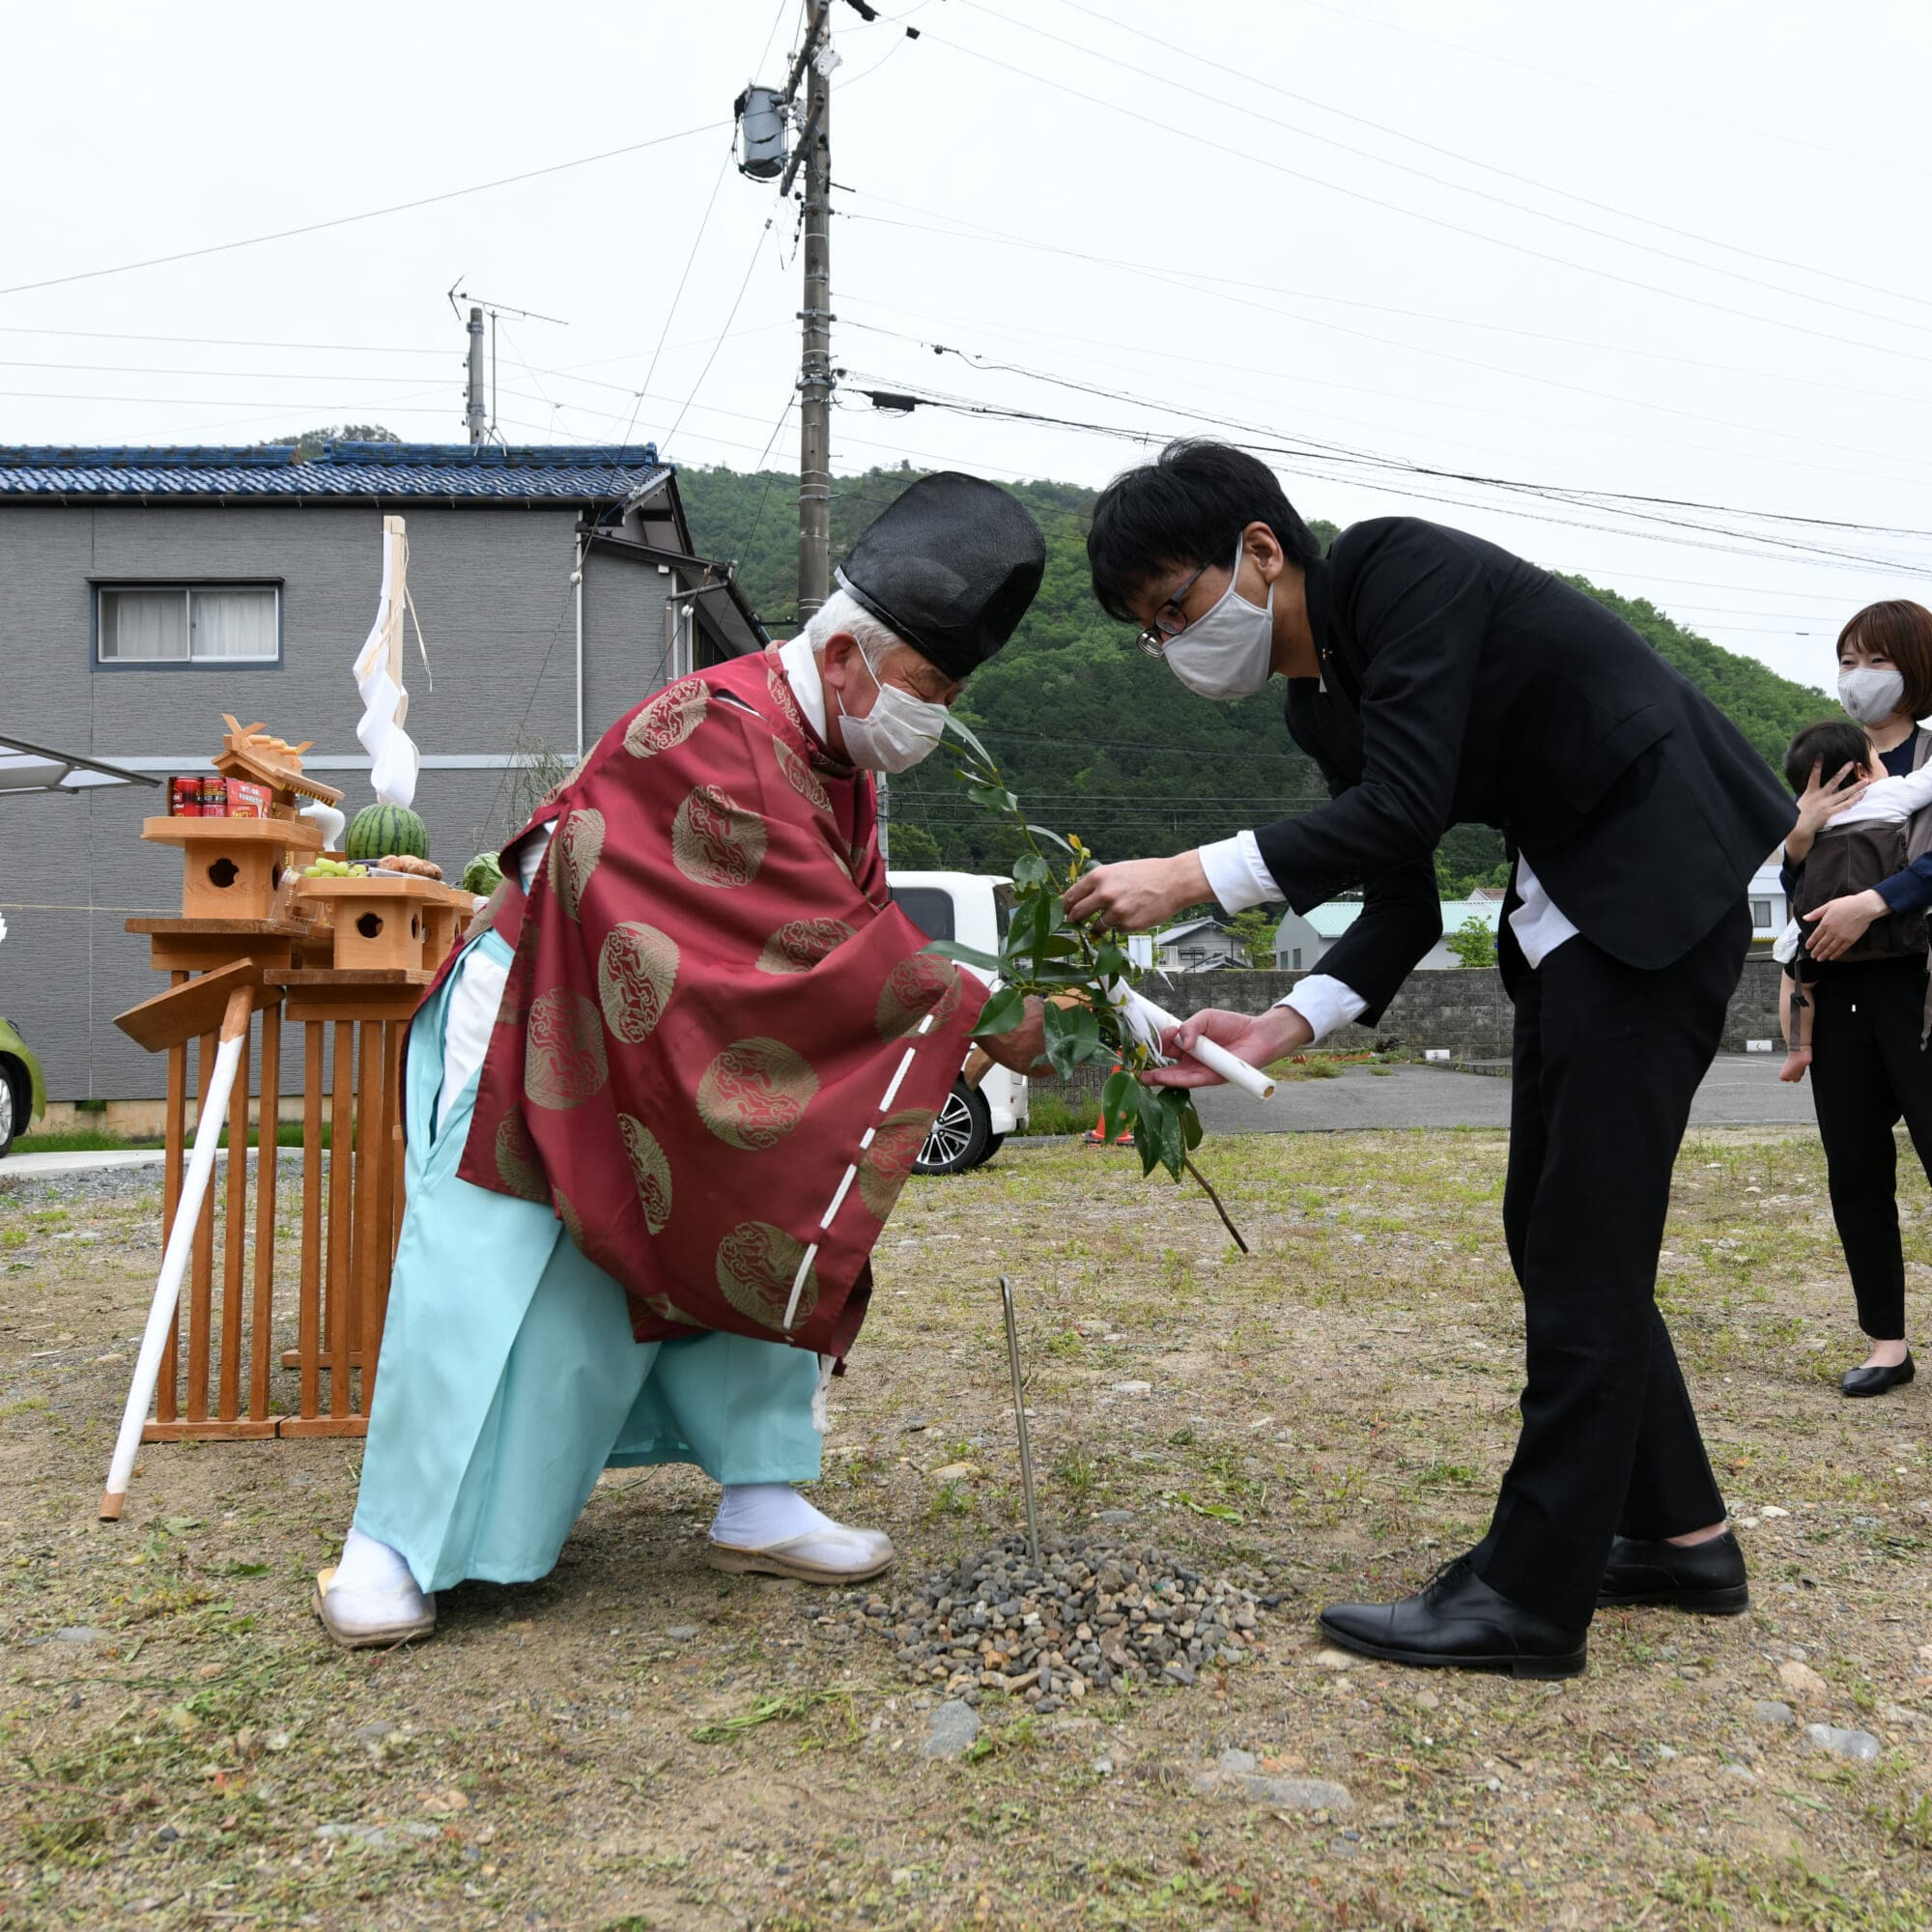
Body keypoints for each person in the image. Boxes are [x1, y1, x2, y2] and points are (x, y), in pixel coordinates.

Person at [1065, 440, 1795, 1679]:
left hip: (1653, 881)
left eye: (1172, 607)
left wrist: (1190, 873)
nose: (1172, 643)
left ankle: (1529, 1592)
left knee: (1580, 1243)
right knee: (1557, 1230)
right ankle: (1683, 1535)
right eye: (1149, 631)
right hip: (1577, 910)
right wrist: (1281, 1022)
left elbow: (1400, 812)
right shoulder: (1320, 699)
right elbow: (1394, 896)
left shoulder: (1400, 572)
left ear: (1257, 549)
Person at [312, 473, 1050, 1648]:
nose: (935, 712)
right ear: (851, 655)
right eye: (929, 685)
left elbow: (845, 938)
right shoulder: (707, 725)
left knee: (764, 1179)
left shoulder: (830, 760)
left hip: (661, 1019)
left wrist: (965, 1004)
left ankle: (757, 1487)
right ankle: (388, 1536)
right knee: (491, 1263)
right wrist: (965, 1011)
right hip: (543, 1009)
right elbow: (808, 945)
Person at [1774, 603, 1932, 1397]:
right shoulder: (1824, 757)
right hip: (1840, 994)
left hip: (1921, 984)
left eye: (1875, 658)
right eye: (1847, 658)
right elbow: (1791, 879)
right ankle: (1886, 1343)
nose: (1858, 675)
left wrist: (1876, 900)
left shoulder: (1931, 759)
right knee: (1856, 1168)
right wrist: (1800, 837)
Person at [1773, 718, 1932, 1084]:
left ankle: (1798, 1049)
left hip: (1818, 929)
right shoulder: (1891, 792)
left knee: (1795, 981)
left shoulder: (1808, 816)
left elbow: (1793, 884)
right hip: (1892, 928)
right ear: (1862, 770)